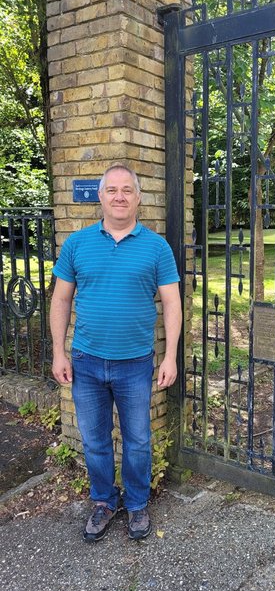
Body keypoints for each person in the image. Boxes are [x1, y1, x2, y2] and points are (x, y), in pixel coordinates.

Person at [50, 163, 182, 542]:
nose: (120, 196)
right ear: (101, 197)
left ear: (138, 198)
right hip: (87, 363)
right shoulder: (77, 243)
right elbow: (60, 299)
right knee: (94, 439)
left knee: (138, 439)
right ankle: (105, 502)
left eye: (127, 190)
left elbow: (172, 304)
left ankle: (137, 504)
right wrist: (59, 352)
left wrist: (170, 355)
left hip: (135, 364)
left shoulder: (157, 247)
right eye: (112, 190)